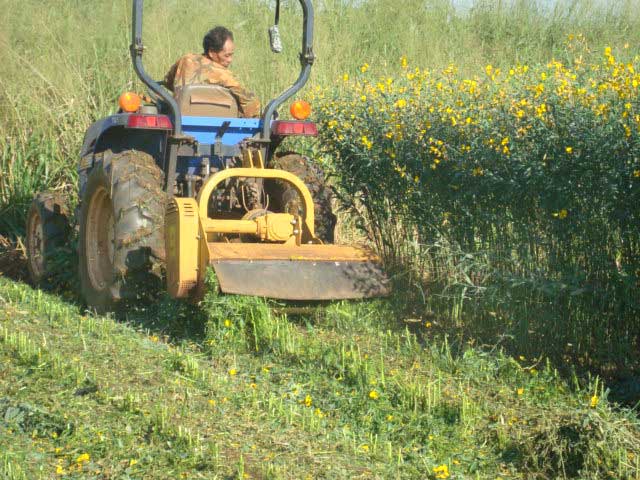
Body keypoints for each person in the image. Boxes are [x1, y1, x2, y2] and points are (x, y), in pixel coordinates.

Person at [164, 26, 260, 118]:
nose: (230, 60)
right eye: (227, 56)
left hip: (178, 122)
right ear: (211, 52)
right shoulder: (223, 75)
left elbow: (168, 81)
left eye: (231, 55)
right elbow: (251, 103)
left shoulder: (186, 60)